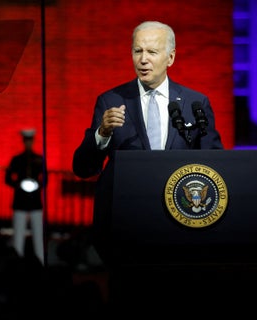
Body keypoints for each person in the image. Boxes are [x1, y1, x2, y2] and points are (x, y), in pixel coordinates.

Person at [72, 21, 224, 313]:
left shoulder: (195, 103)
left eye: (152, 52)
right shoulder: (111, 100)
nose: (143, 59)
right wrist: (101, 134)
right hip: (126, 229)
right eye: (137, 50)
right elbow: (83, 168)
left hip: (180, 231)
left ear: (171, 57)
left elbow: (214, 165)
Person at [5, 129, 46, 265]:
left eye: (30, 140)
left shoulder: (39, 159)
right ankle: (17, 265)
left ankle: (40, 264)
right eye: (26, 140)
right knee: (18, 236)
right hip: (20, 201)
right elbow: (8, 178)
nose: (28, 143)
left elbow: (45, 179)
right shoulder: (17, 160)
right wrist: (18, 184)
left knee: (38, 236)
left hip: (35, 202)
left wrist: (37, 185)